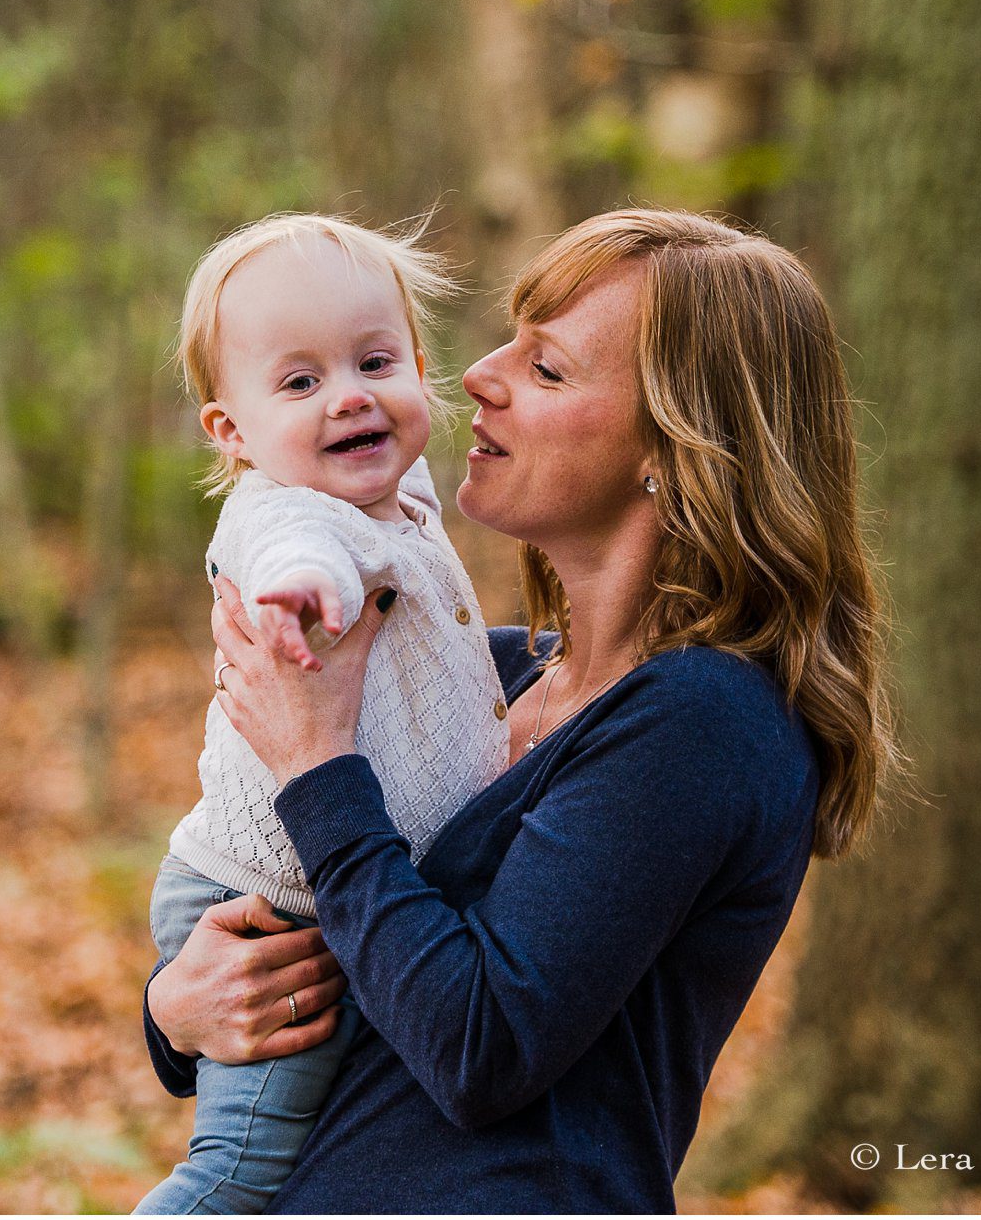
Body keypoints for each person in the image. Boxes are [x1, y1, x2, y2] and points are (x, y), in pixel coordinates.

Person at [142, 208, 901, 1213]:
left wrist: (316, 769)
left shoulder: (702, 722)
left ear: (673, 448)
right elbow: (347, 946)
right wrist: (178, 1010)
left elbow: (477, 1046)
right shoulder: (481, 677)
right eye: (508, 340)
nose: (478, 377)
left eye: (546, 369)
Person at [136, 213, 511, 1214]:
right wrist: (303, 599)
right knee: (237, 1171)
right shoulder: (286, 514)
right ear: (232, 431)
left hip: (321, 900)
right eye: (299, 383)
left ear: (417, 367)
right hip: (267, 913)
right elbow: (293, 553)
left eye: (374, 360)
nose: (348, 396)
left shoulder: (400, 497)